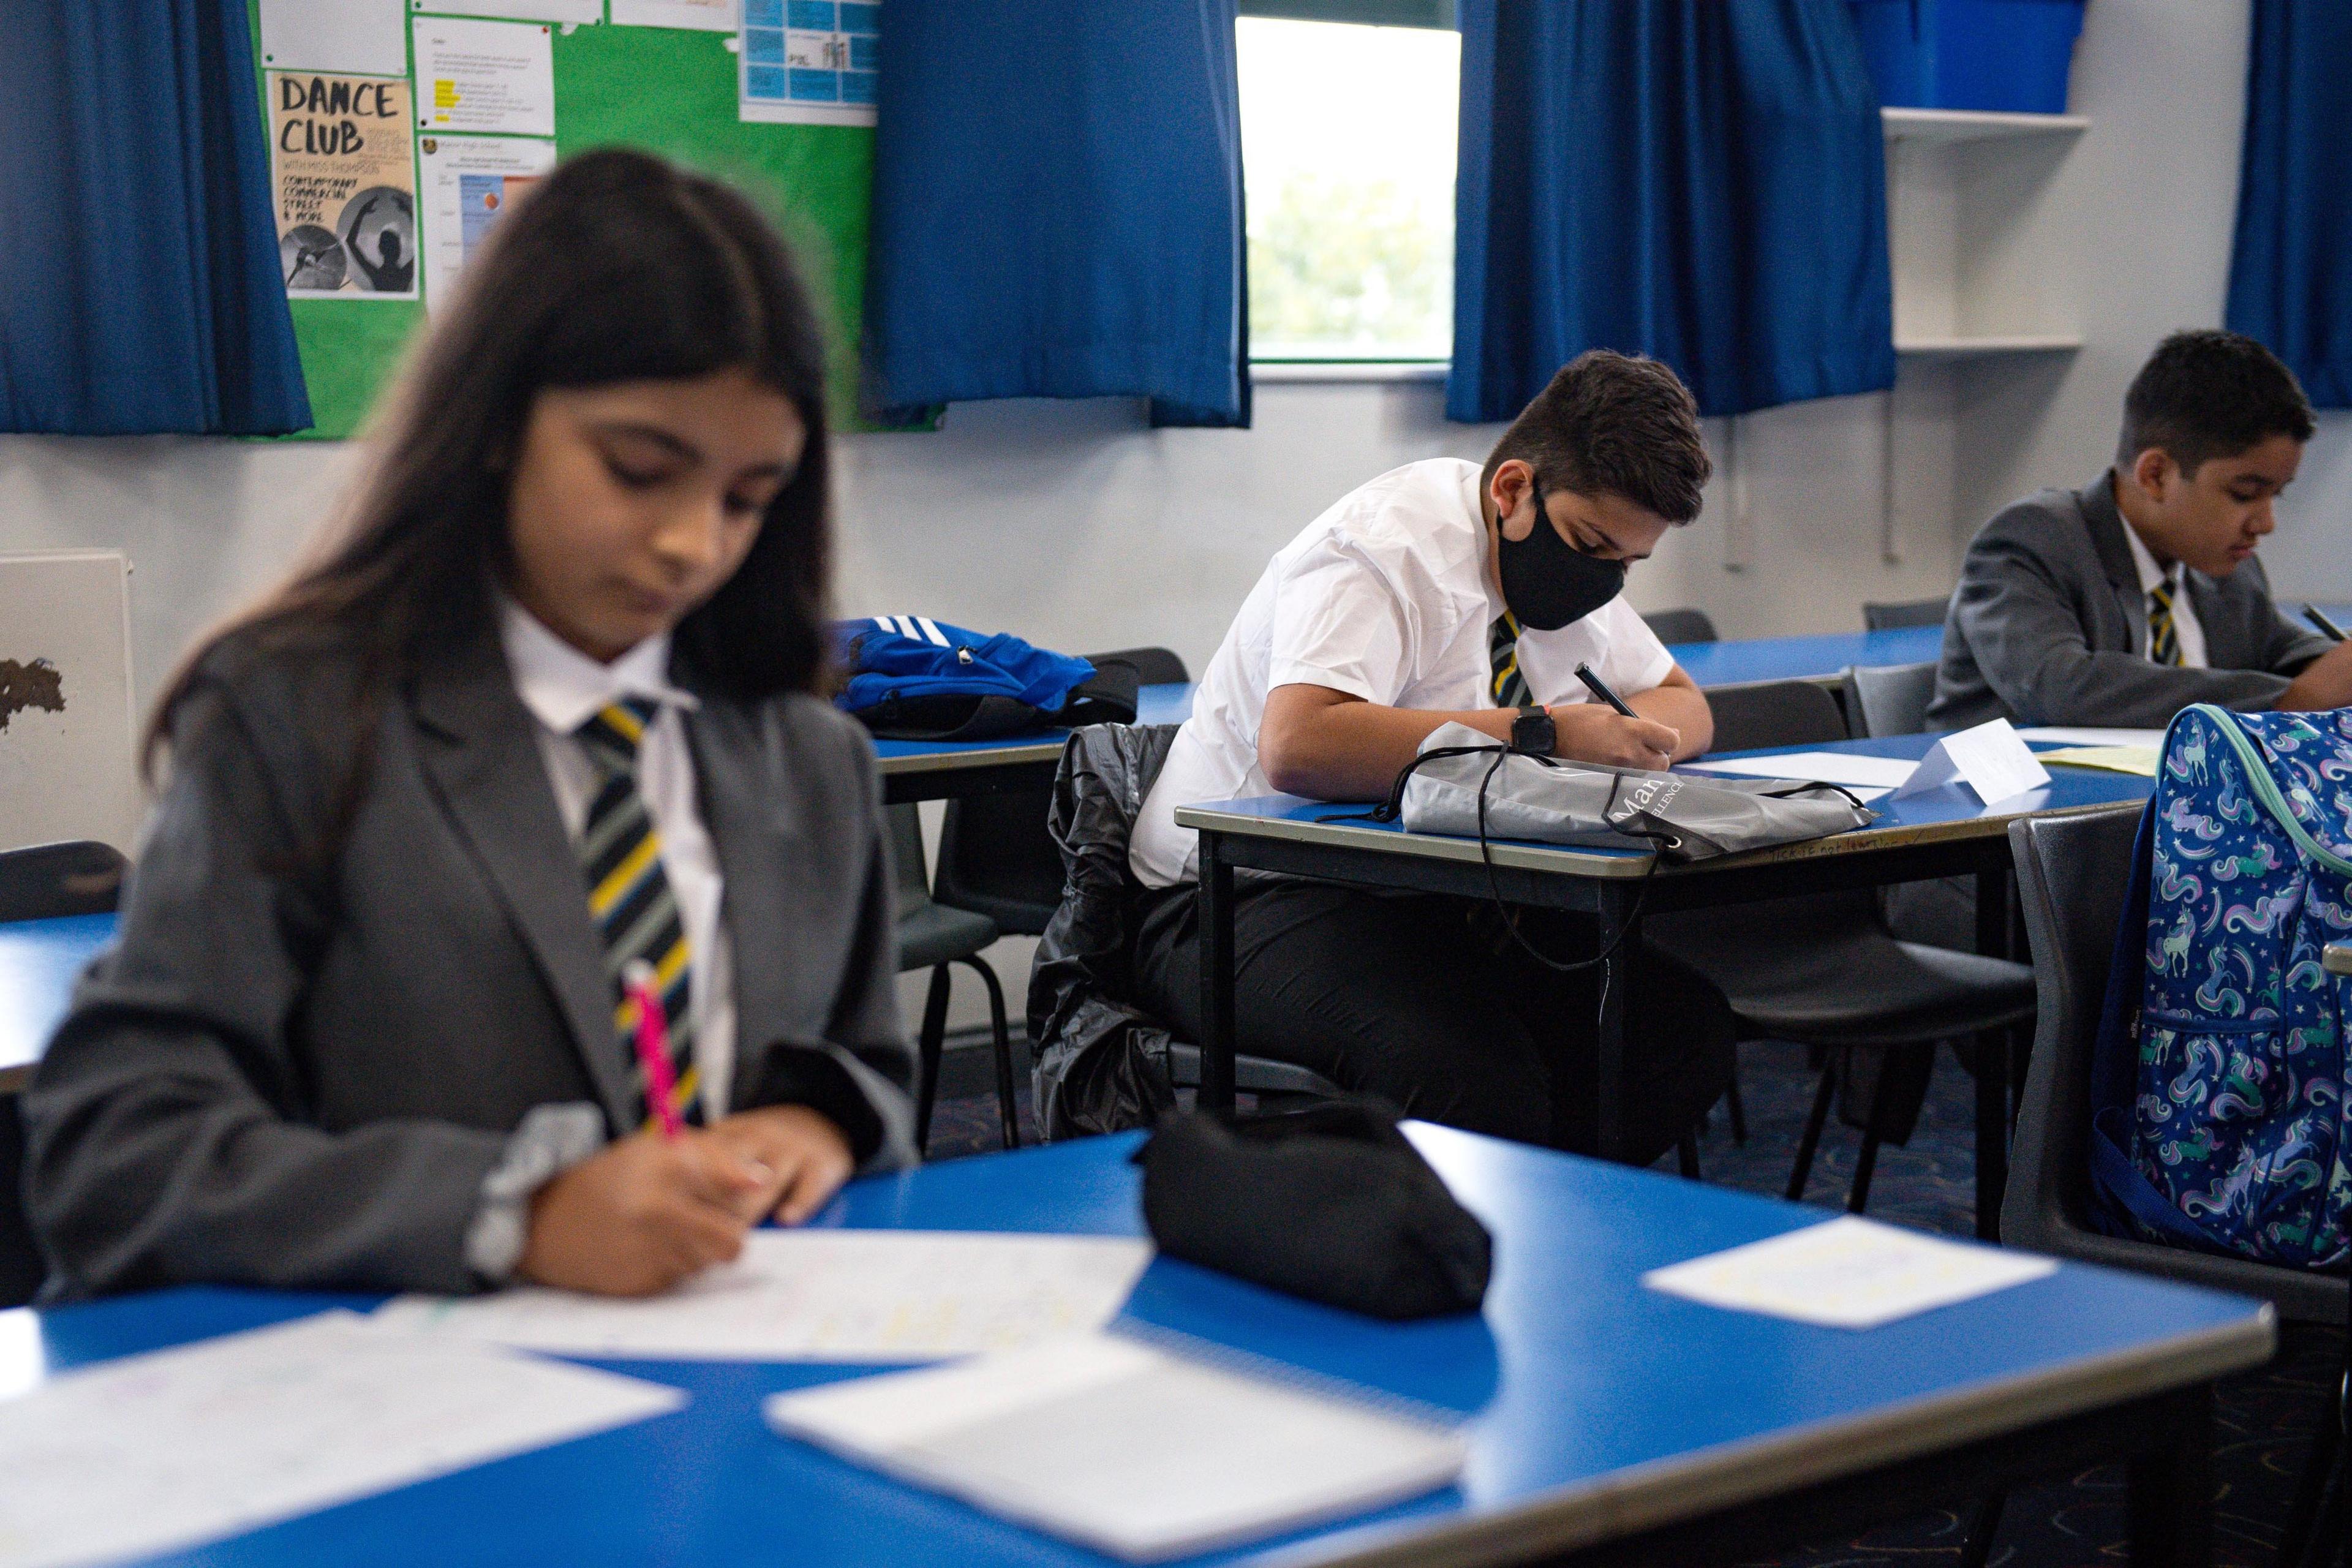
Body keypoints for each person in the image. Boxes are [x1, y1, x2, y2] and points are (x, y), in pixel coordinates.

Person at [23, 149, 913, 1301]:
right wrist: (517, 1214)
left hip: (714, 1405)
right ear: (497, 422)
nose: (695, 543)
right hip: (397, 1410)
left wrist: (819, 1118)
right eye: (640, 470)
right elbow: (116, 1149)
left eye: (749, 498)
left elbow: (867, 1066)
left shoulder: (809, 759)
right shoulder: (296, 716)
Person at [1126, 350, 1735, 1164]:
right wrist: (1544, 734)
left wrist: (1629, 737)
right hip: (1234, 893)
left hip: (1420, 888)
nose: (1606, 581)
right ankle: (1453, 1259)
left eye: (1629, 563)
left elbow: (1684, 707)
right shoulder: (1380, 545)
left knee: (1674, 1032)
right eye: (1594, 547)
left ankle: (1545, 1238)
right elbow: (1300, 744)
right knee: (1472, 1078)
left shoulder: (1576, 570)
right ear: (1513, 490)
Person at [1930, 329, 2352, 729]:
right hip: (2008, 802)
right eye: (2244, 493)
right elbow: (2057, 685)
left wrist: (2336, 670)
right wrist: (2284, 700)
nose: (2265, 524)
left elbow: (2286, 652)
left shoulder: (2228, 569)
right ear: (2155, 476)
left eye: (2275, 495)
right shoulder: (2033, 540)